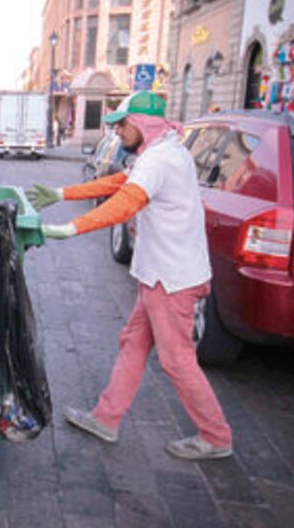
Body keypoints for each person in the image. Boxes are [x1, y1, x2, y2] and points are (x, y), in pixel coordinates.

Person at [26, 91, 233, 460]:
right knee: (134, 343)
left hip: (171, 279)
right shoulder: (161, 152)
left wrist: (70, 229)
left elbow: (125, 203)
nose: (118, 131)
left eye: (122, 124)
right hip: (162, 275)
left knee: (176, 361)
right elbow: (116, 184)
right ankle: (106, 417)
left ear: (142, 123)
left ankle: (216, 436)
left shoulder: (159, 160)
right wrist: (61, 193)